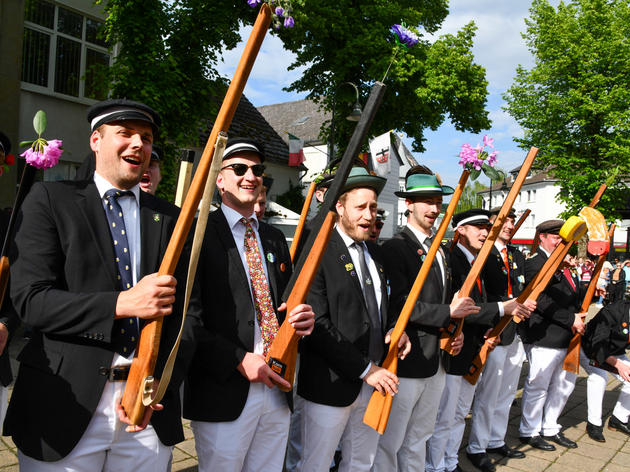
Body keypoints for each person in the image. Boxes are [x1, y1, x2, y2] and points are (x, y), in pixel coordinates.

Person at [6, 98, 199, 470]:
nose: (138, 144)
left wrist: (160, 380)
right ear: (96, 140)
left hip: (146, 410)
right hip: (65, 405)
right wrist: (122, 303)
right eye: (124, 133)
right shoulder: (50, 200)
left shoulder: (170, 218)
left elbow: (190, 311)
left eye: (145, 137)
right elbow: (31, 301)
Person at [183, 138, 315, 472]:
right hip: (224, 387)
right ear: (219, 178)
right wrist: (239, 359)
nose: (250, 176)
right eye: (239, 168)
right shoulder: (196, 235)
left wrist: (301, 317)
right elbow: (187, 319)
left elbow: (283, 302)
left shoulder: (271, 237)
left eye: (257, 170)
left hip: (276, 383)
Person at [295, 167, 410, 472]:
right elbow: (316, 323)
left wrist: (396, 330)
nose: (369, 215)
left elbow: (381, 306)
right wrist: (365, 369)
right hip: (329, 383)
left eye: (373, 207)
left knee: (361, 462)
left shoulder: (374, 251)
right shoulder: (316, 251)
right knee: (315, 465)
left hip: (373, 382)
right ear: (339, 207)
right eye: (360, 207)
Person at [372, 166, 477, 472]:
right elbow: (400, 303)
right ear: (408, 204)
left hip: (437, 361)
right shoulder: (395, 247)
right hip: (407, 360)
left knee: (420, 436)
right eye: (426, 201)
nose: (434, 208)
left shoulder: (440, 248)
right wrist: (448, 313)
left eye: (437, 202)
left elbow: (444, 301)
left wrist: (451, 329)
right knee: (391, 441)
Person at [426, 209, 531, 472]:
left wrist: (489, 329)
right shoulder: (452, 261)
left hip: (474, 346)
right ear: (460, 230)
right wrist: (500, 309)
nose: (485, 232)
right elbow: (460, 308)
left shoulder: (476, 261)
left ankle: (449, 461)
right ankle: (435, 465)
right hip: (454, 348)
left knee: (459, 412)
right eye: (477, 227)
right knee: (444, 415)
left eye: (486, 227)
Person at [466, 208, 535, 471]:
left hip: (516, 331)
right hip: (493, 331)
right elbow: (481, 295)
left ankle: (496, 439)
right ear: (492, 225)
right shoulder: (485, 254)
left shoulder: (516, 253)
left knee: (506, 393)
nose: (509, 226)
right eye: (504, 221)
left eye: (512, 222)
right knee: (488, 393)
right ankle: (477, 446)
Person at [518, 219, 587, 451]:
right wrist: (571, 320)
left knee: (563, 385)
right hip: (544, 335)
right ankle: (529, 431)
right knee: (538, 385)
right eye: (556, 238)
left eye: (563, 239)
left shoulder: (563, 264)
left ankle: (550, 426)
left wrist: (588, 291)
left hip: (566, 336)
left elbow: (570, 294)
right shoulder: (535, 263)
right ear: (542, 238)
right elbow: (540, 300)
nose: (560, 242)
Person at [580, 300, 630, 442]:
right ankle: (593, 424)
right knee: (600, 378)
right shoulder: (612, 311)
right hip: (589, 349)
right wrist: (619, 366)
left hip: (615, 351)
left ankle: (619, 419)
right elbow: (597, 344)